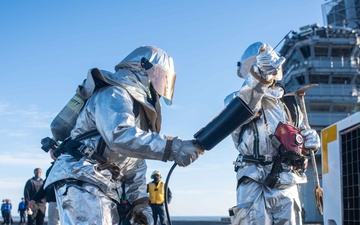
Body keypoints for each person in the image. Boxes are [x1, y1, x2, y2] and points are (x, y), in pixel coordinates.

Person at [44, 45, 204, 225]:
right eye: (160, 76)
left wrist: (140, 204)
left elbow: (134, 163)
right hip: (83, 177)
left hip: (101, 183)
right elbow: (119, 136)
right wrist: (175, 147)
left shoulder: (135, 111)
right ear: (143, 67)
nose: (161, 84)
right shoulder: (114, 92)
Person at [226, 42, 320, 225]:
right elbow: (246, 105)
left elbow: (299, 140)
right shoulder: (236, 101)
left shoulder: (292, 105)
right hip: (254, 183)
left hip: (287, 183)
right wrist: (259, 77)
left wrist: (309, 144)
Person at [28, 150, 60, 225]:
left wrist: (34, 199)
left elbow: (45, 186)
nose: (52, 153)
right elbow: (45, 186)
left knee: (53, 222)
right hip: (62, 200)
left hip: (56, 200)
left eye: (54, 150)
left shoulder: (55, 167)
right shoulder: (65, 164)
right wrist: (34, 199)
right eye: (51, 151)